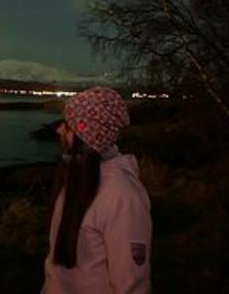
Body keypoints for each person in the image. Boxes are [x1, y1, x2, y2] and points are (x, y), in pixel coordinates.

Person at [42, 86, 152, 294]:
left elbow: (132, 285)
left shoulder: (121, 197)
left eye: (67, 126)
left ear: (85, 134)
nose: (58, 130)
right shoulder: (78, 178)